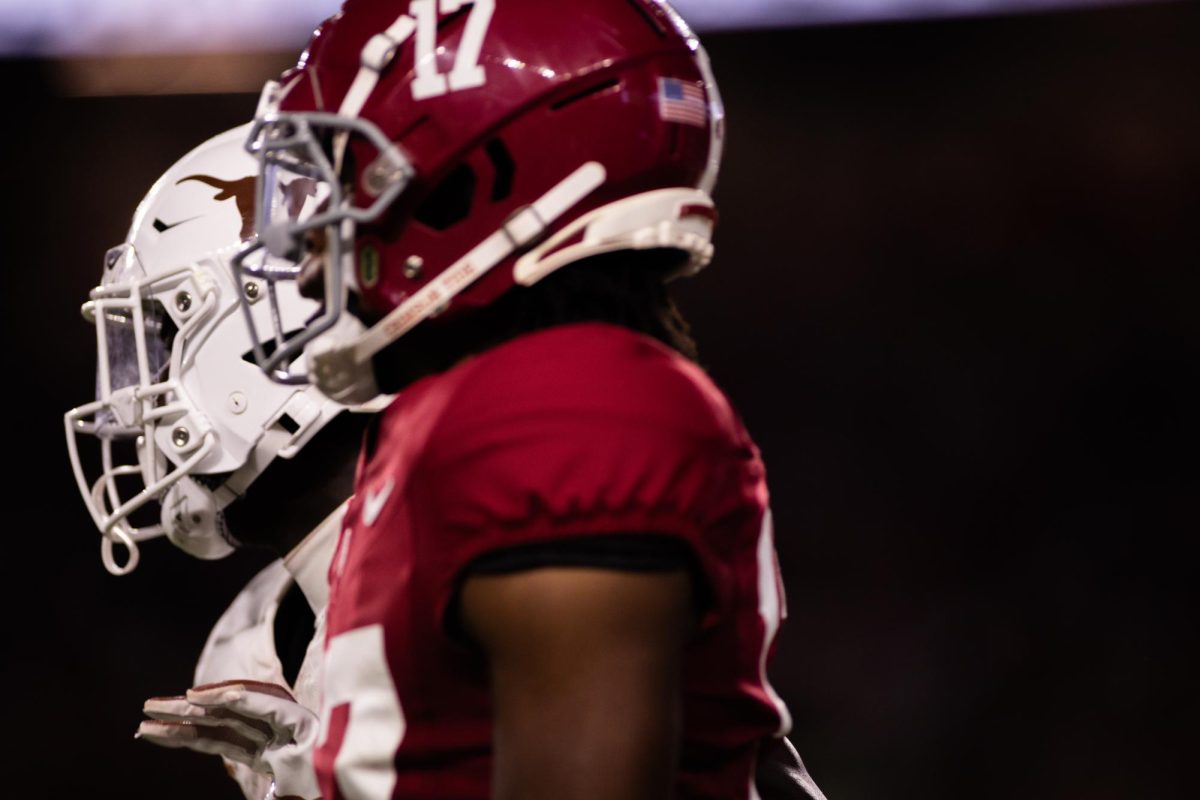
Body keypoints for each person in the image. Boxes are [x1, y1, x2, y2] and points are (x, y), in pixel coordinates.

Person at [232, 1, 826, 799]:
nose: (310, 262)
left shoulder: (560, 407)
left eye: (350, 183)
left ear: (472, 174)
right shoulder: (490, 405)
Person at [63, 125, 367, 799]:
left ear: (279, 332)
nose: (137, 403)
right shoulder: (265, 626)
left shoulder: (454, 558)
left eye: (164, 339)